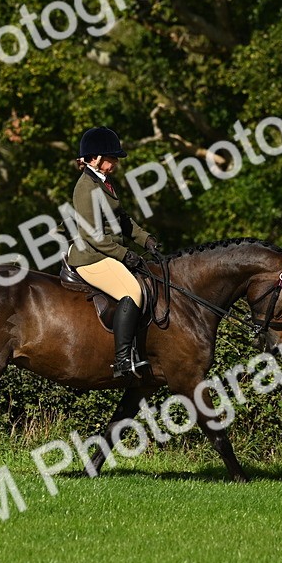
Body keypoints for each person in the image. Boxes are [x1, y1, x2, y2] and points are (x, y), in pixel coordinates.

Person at [66, 126, 161, 378]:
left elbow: (123, 220)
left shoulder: (104, 182)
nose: (116, 163)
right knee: (132, 291)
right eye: (112, 158)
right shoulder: (85, 187)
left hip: (108, 252)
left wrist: (145, 239)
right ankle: (121, 361)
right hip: (92, 256)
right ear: (95, 157)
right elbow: (91, 235)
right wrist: (123, 254)